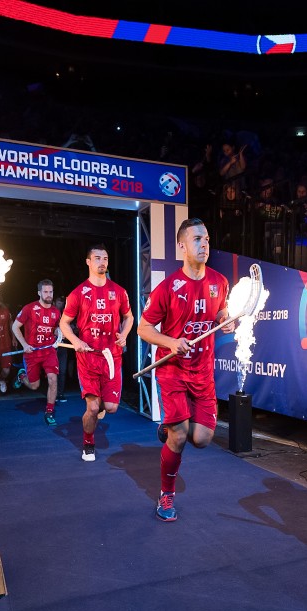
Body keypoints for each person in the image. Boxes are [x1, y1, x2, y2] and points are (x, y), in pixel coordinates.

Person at [137, 219, 231, 521]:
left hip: (203, 373)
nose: (204, 244)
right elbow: (143, 328)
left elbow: (221, 311)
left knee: (201, 439)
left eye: (207, 239)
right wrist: (171, 342)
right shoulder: (167, 288)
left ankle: (169, 427)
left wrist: (225, 320)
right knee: (179, 437)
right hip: (173, 370)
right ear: (182, 245)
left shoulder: (220, 281)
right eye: (197, 239)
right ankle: (166, 495)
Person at [59, 244, 134, 461]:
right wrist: (75, 340)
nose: (102, 262)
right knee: (92, 408)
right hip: (88, 358)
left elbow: (129, 317)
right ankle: (88, 443)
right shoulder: (78, 293)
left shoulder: (119, 291)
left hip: (112, 357)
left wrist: (124, 334)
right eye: (98, 258)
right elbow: (64, 323)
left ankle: (101, 405)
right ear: (88, 262)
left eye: (105, 258)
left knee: (111, 408)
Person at [12, 279, 62, 425]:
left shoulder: (56, 312)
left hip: (49, 351)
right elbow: (15, 327)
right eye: (45, 292)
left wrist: (59, 334)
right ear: (39, 293)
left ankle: (49, 412)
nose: (48, 295)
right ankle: (22, 376)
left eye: (51, 292)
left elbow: (56, 329)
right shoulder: (29, 308)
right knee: (34, 386)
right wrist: (24, 344)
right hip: (32, 352)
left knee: (53, 379)